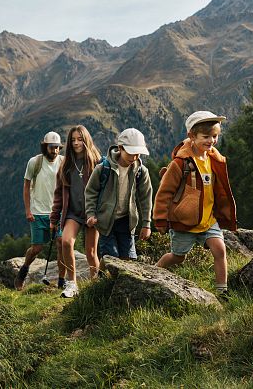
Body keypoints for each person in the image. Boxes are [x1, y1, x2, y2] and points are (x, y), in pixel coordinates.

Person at [153, 111, 237, 299]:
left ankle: (222, 291)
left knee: (220, 249)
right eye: (206, 137)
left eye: (214, 136)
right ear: (192, 136)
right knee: (178, 257)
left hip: (208, 219)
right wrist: (160, 219)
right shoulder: (181, 163)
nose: (211, 141)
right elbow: (164, 192)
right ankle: (155, 271)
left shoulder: (214, 159)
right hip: (185, 221)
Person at [50, 125, 102, 298]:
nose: (76, 143)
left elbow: (104, 190)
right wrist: (54, 217)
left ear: (86, 139)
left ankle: (96, 285)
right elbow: (59, 194)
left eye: (79, 139)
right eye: (73, 140)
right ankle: (72, 284)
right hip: (73, 213)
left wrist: (99, 213)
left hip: (92, 213)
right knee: (65, 242)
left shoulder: (96, 162)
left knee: (91, 252)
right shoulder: (66, 165)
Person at [85, 128, 153, 260]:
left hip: (126, 222)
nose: (134, 158)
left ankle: (110, 278)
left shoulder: (141, 171)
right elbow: (91, 191)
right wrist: (91, 214)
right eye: (131, 153)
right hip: (105, 221)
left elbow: (146, 197)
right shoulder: (103, 168)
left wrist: (146, 224)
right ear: (120, 148)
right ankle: (104, 279)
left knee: (129, 258)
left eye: (137, 154)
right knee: (111, 257)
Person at [15, 131, 67, 290]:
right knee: (37, 248)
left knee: (61, 243)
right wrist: (28, 210)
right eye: (52, 147)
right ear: (45, 147)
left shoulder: (64, 162)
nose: (55, 150)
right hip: (38, 212)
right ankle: (24, 270)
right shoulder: (35, 162)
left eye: (58, 147)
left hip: (58, 212)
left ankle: (61, 281)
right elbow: (26, 186)